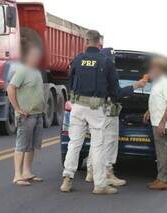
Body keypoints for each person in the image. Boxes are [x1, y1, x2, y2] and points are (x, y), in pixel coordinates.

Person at [60, 30, 120, 194]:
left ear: (86, 41)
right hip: (96, 107)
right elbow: (114, 87)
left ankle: (67, 179)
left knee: (74, 143)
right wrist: (113, 100)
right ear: (99, 42)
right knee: (98, 146)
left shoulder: (78, 60)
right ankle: (99, 185)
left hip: (77, 106)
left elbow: (70, 81)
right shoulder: (106, 61)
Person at [85, 48, 147, 187]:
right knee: (110, 142)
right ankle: (107, 172)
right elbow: (117, 93)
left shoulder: (93, 72)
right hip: (108, 111)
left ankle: (91, 171)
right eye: (112, 59)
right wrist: (136, 85)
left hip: (94, 111)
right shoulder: (107, 72)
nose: (113, 62)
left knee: (96, 142)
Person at [7, 38, 45, 186]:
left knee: (32, 146)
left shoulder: (36, 72)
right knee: (21, 145)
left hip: (37, 114)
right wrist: (17, 109)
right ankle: (17, 175)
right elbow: (11, 88)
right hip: (26, 115)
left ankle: (27, 172)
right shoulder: (22, 71)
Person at [143, 56, 167, 190]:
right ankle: (160, 178)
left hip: (162, 124)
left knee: (163, 152)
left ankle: (164, 180)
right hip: (156, 121)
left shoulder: (166, 83)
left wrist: (162, 123)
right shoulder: (158, 83)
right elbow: (158, 101)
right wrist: (148, 111)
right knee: (160, 152)